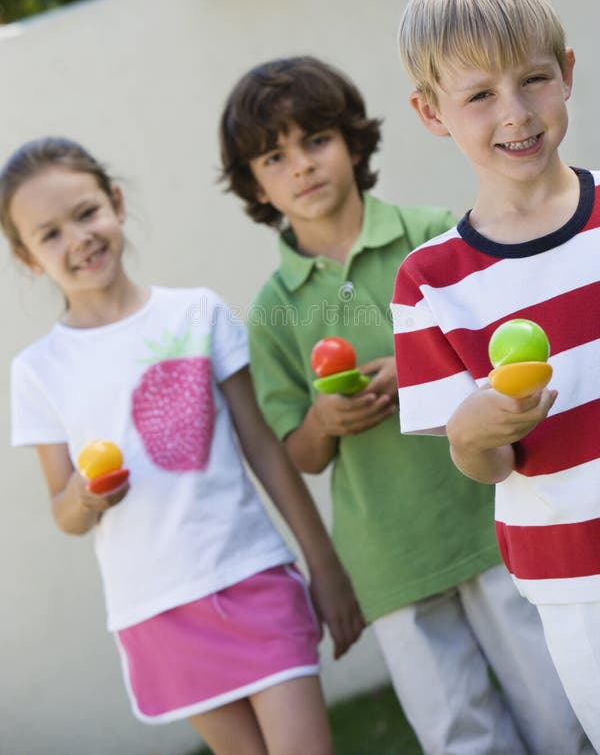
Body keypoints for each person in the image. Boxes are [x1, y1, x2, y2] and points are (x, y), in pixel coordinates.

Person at [219, 55, 591, 755]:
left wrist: (415, 370)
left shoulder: (432, 238)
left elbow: (495, 362)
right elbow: (295, 450)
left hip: (487, 527)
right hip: (389, 559)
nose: (301, 166)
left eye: (316, 140)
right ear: (254, 185)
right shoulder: (273, 309)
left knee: (560, 715)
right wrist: (324, 422)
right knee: (460, 736)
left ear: (354, 142)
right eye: (274, 156)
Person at [1, 136, 365, 755]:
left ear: (115, 203)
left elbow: (263, 447)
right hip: (158, 612)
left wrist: (323, 565)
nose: (79, 239)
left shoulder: (197, 314)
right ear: (28, 256)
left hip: (253, 578)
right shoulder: (38, 370)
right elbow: (63, 510)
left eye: (87, 213)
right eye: (50, 234)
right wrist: (89, 499)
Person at [392, 0, 600, 752]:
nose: (515, 113)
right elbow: (481, 463)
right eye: (479, 95)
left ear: (568, 73)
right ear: (431, 112)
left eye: (534, 80)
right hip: (574, 581)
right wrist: (477, 429)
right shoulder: (432, 284)